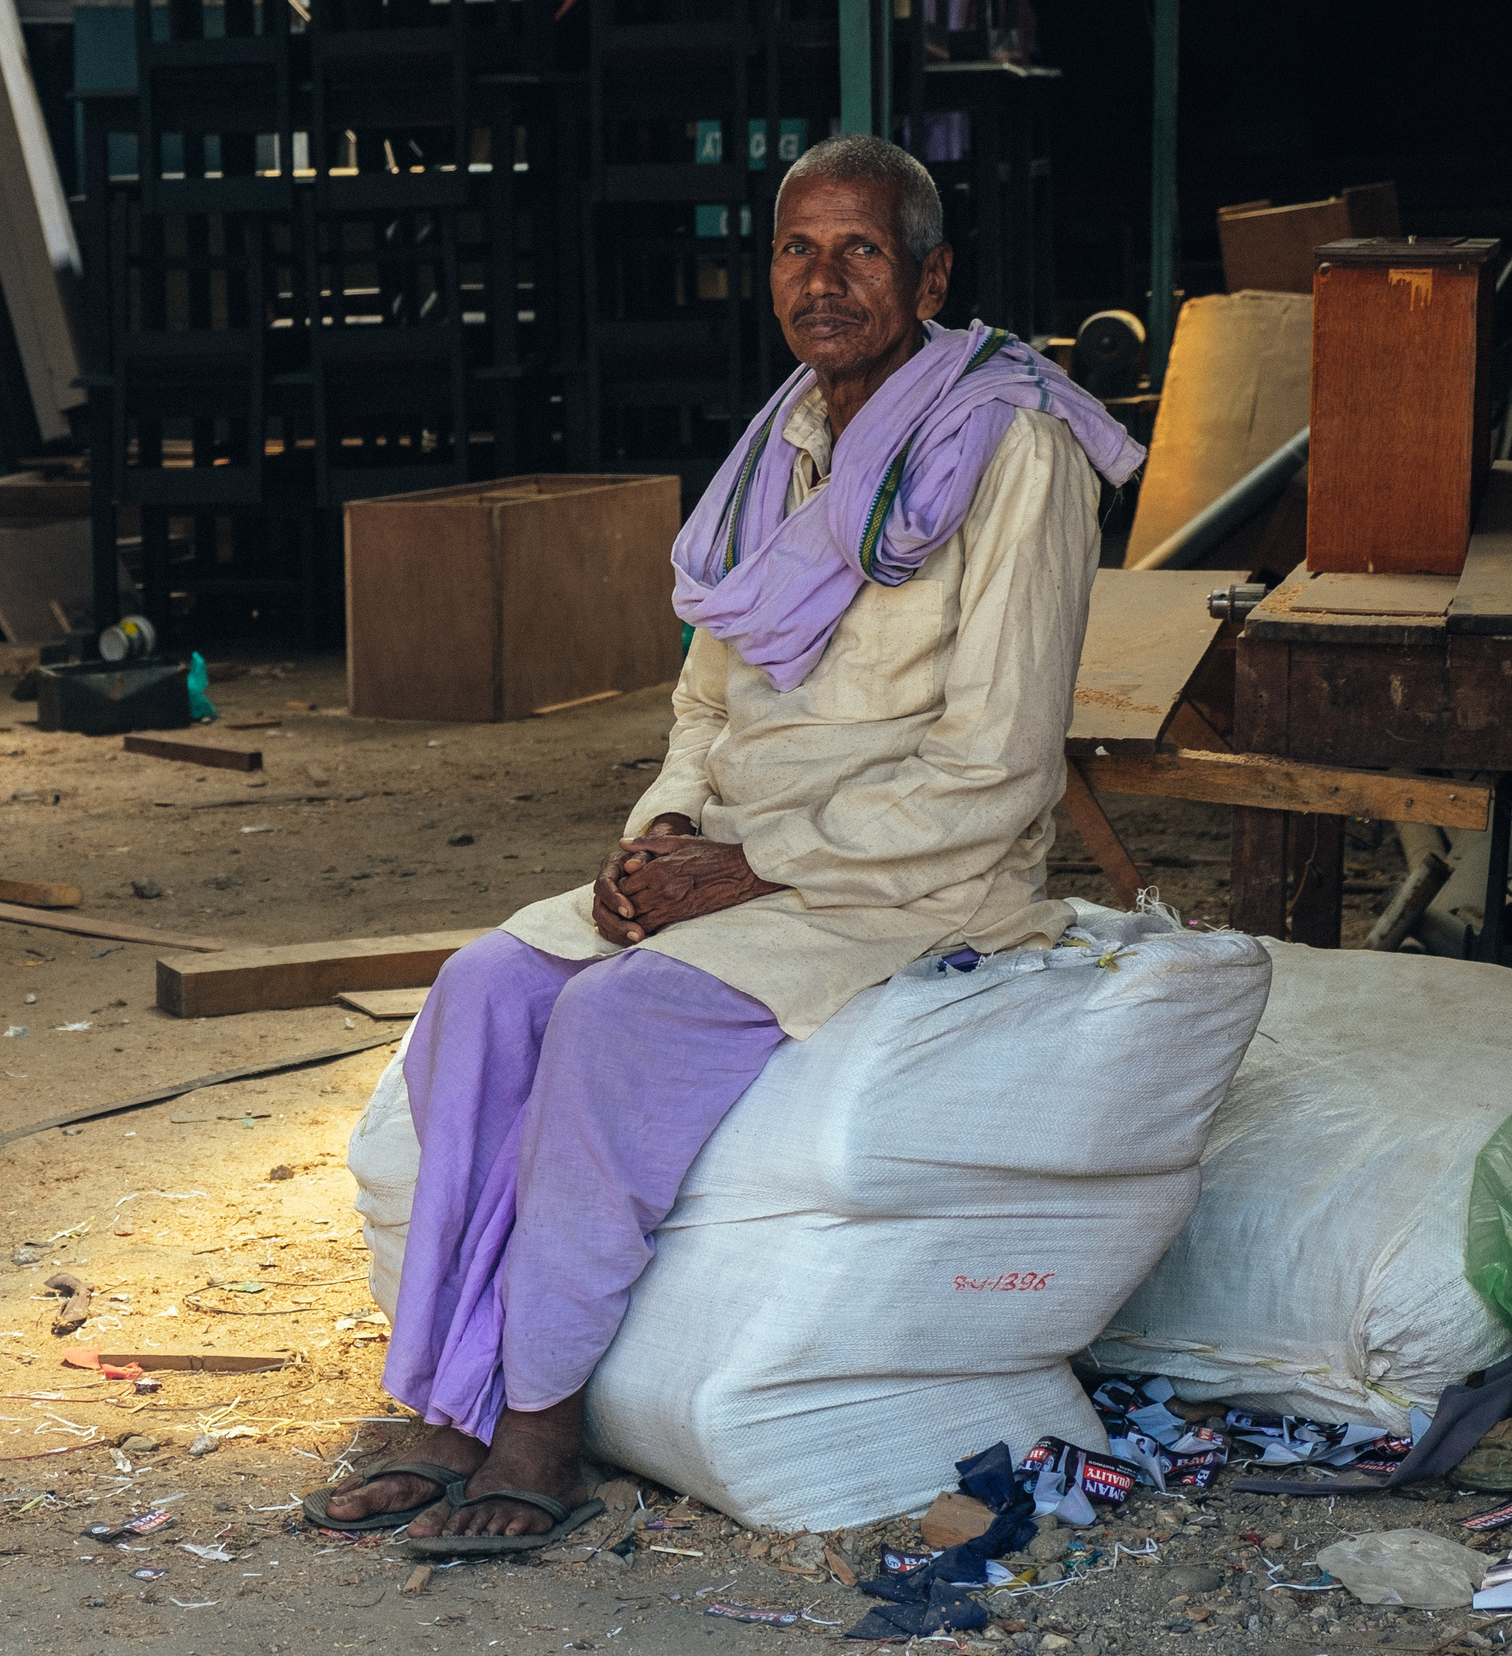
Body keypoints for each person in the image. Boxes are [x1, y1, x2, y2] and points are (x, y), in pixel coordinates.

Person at [314, 135, 1148, 1552]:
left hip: (905, 878)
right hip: (743, 856)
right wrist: (667, 832)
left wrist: (754, 868)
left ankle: (537, 1425)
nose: (823, 282)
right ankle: (450, 1398)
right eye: (795, 250)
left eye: (863, 251)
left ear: (933, 274)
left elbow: (1000, 769)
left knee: (616, 1022)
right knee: (485, 987)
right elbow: (703, 701)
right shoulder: (782, 439)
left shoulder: (1016, 447)